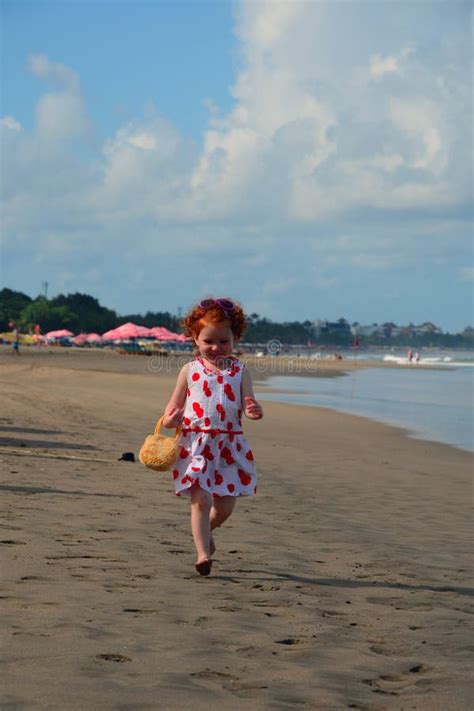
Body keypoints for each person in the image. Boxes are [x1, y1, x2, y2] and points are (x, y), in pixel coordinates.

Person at [162, 297, 263, 576]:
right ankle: (202, 554)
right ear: (195, 338)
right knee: (201, 500)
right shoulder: (189, 370)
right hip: (196, 444)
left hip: (229, 444)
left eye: (223, 342)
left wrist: (254, 409)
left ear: (235, 339)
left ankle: (205, 532)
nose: (216, 348)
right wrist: (171, 420)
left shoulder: (240, 371)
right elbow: (172, 409)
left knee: (225, 507)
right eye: (208, 341)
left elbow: (249, 402)